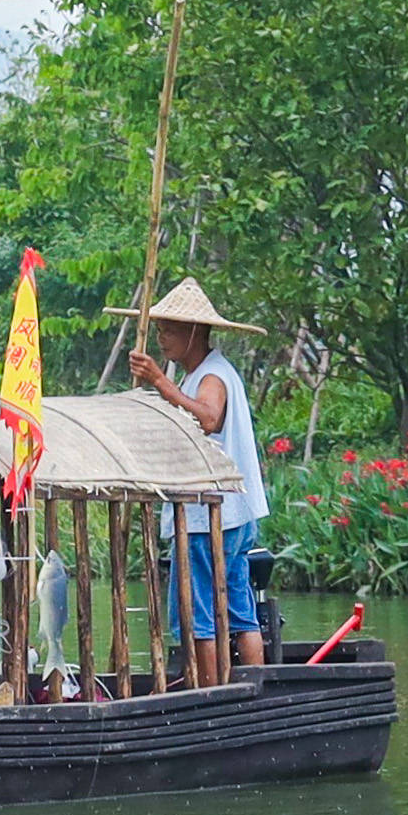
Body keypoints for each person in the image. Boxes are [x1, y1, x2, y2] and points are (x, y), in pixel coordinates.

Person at [125, 276, 269, 687]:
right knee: (238, 606)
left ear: (193, 332)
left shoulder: (212, 376)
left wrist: (158, 380)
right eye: (159, 330)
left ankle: (209, 693)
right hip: (232, 514)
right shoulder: (202, 374)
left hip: (211, 517)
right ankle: (251, 686)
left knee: (200, 611)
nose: (162, 338)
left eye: (169, 330)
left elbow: (208, 417)